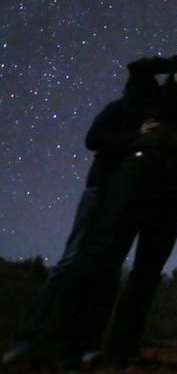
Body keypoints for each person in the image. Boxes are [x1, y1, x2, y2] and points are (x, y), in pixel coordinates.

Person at [36, 50, 177, 367]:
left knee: (146, 271)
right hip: (141, 178)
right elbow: (138, 68)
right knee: (106, 258)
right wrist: (176, 65)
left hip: (174, 187)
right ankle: (71, 343)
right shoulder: (154, 99)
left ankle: (120, 348)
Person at [2, 78, 149, 365]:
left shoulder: (148, 117)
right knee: (71, 261)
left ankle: (82, 343)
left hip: (122, 195)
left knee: (103, 268)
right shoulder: (119, 109)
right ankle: (30, 338)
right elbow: (93, 139)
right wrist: (136, 136)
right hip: (100, 190)